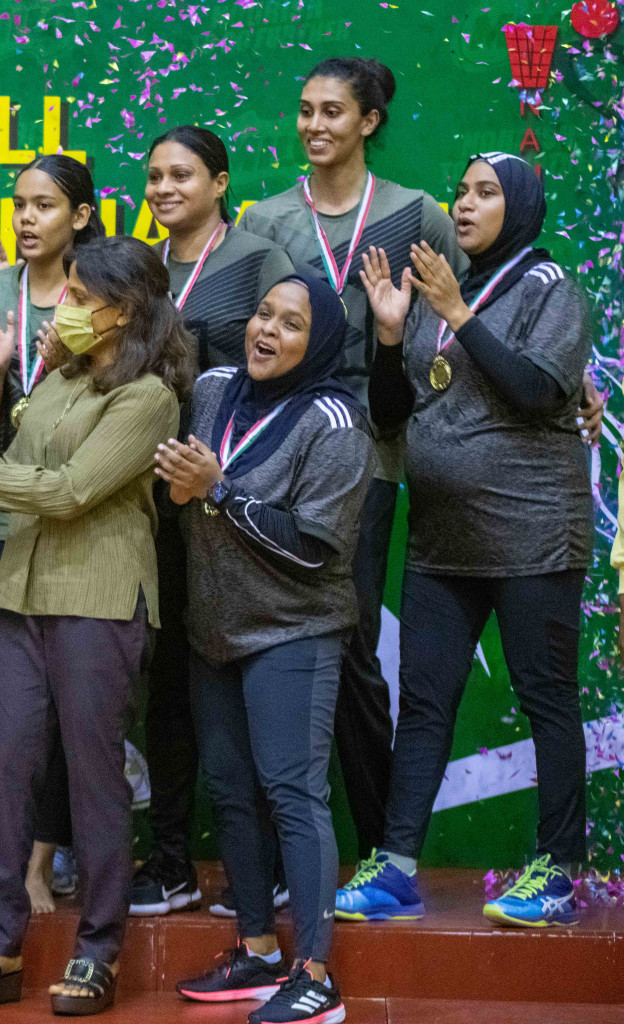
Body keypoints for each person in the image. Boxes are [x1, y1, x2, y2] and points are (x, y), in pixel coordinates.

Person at [0, 235, 186, 1015]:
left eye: (83, 298)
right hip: (20, 593)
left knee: (93, 780)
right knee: (3, 772)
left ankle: (97, 951)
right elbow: (18, 470)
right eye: (69, 294)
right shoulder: (56, 376)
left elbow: (68, 491)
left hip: (101, 596)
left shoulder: (149, 396)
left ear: (127, 311)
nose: (67, 309)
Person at [340, 152, 593, 928]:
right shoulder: (432, 291)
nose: (465, 203)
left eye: (486, 193)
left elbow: (533, 390)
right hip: (441, 542)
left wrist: (456, 315)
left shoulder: (553, 290)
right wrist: (389, 338)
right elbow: (389, 415)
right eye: (460, 190)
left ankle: (556, 871)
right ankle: (396, 866)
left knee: (546, 699)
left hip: (533, 537)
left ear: (518, 206)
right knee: (424, 704)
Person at [236, 56, 467, 874]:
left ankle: (378, 851)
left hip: (367, 454)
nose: (314, 126)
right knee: (263, 640)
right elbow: (244, 339)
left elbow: (459, 326)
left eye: (333, 112)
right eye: (305, 111)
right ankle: (267, 855)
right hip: (268, 459)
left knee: (352, 644)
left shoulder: (416, 218)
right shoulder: (263, 221)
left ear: (368, 122)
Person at [159, 275, 372, 1024]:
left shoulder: (337, 420)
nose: (266, 330)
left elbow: (318, 550)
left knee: (292, 794)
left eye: (290, 322)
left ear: (319, 342)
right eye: (262, 314)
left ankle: (316, 975)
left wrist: (218, 493)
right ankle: (256, 950)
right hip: (212, 630)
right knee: (229, 792)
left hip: (293, 631)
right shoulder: (214, 388)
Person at [132, 126, 294, 919]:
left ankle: (262, 868)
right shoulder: (141, 269)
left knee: (242, 682)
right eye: (156, 176)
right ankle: (171, 863)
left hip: (236, 494)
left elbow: (290, 360)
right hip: (157, 502)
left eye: (182, 175)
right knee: (165, 686)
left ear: (220, 183)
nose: (165, 189)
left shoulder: (259, 257)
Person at [0, 153, 105, 905]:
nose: (26, 219)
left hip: (77, 512)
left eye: (43, 206)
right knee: (6, 692)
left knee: (73, 689)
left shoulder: (99, 295)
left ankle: (57, 846)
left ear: (79, 216)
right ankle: (1, 852)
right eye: (19, 205)